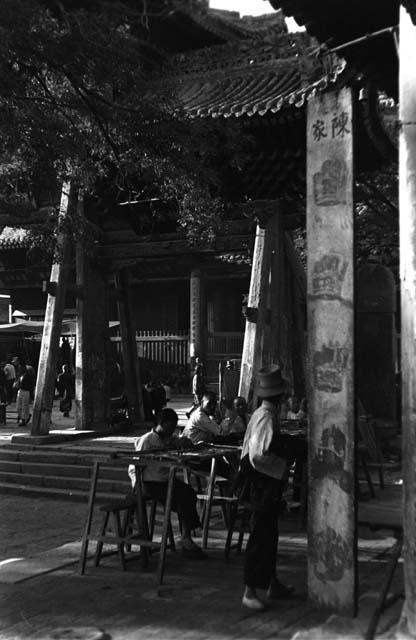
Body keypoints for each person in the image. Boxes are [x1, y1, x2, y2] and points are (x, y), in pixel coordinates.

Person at [240, 364, 306, 612]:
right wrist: (283, 462)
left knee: (270, 535)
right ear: (277, 396)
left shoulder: (264, 413)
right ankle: (249, 591)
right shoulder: (266, 416)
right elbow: (259, 455)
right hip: (260, 485)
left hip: (265, 484)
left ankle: (272, 582)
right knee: (260, 537)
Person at [128, 408, 204, 557]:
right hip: (150, 482)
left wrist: (185, 442)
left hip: (165, 480)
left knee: (189, 492)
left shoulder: (169, 439)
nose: (172, 430)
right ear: (162, 423)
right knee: (182, 495)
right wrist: (137, 486)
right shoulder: (147, 440)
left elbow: (181, 443)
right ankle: (186, 537)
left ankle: (186, 535)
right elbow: (134, 467)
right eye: (170, 426)